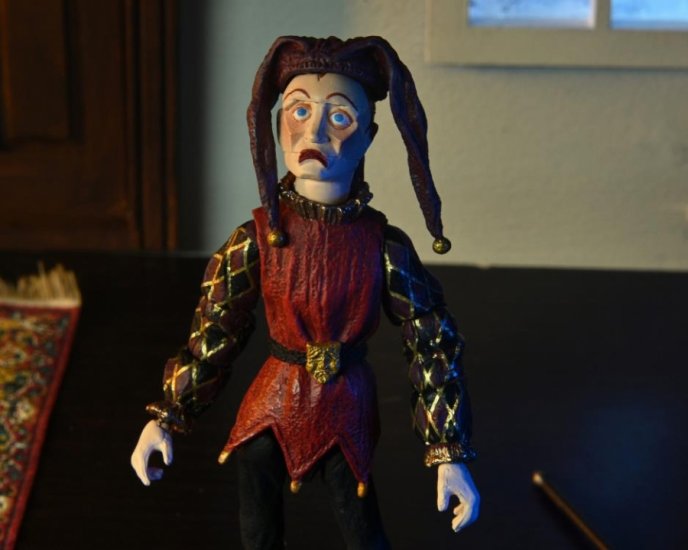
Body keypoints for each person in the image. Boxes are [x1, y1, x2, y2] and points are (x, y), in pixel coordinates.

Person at [131, 35, 479, 549]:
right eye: (298, 111)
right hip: (271, 401)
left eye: (339, 117)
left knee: (358, 516)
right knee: (256, 500)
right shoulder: (255, 240)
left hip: (346, 405)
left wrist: (449, 451)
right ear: (277, 126)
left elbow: (432, 343)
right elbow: (216, 330)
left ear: (369, 136)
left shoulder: (384, 248)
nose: (313, 131)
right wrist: (168, 415)